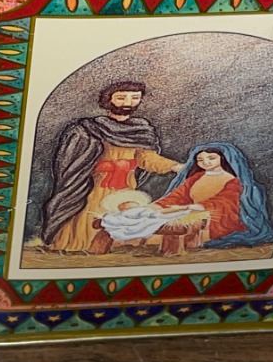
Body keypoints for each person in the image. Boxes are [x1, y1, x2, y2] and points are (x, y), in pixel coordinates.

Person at [40, 82, 181, 254]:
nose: (128, 103)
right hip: (94, 186)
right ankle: (79, 246)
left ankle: (115, 245)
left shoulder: (141, 129)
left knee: (123, 215)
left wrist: (174, 166)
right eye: (121, 98)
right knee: (90, 215)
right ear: (108, 100)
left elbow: (147, 158)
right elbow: (75, 161)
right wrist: (104, 166)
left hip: (125, 187)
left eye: (135, 98)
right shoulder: (88, 129)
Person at [145, 144, 273, 248]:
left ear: (223, 158)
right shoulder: (196, 178)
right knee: (151, 221)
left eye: (211, 158)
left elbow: (224, 202)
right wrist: (155, 206)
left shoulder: (233, 181)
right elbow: (178, 196)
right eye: (200, 160)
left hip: (217, 218)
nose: (205, 162)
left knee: (169, 234)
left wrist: (190, 208)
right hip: (190, 212)